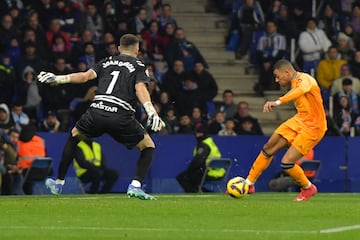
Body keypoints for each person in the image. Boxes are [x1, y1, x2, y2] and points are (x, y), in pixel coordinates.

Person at [37, 34, 165, 200]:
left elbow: (83, 77)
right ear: (137, 49)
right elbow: (140, 88)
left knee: (74, 137)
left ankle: (58, 183)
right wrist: (151, 111)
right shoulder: (140, 67)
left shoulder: (106, 61)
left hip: (97, 111)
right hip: (121, 115)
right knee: (148, 147)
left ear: (119, 48)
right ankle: (135, 185)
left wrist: (58, 78)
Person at [242, 59, 327, 202]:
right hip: (299, 120)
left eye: (277, 76)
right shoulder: (293, 82)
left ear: (287, 72)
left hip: (314, 126)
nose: (276, 80)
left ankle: (308, 188)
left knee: (287, 163)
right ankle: (249, 184)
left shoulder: (305, 79)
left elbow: (300, 90)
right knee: (269, 147)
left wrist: (277, 102)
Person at [176, 122, 223, 193]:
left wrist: (189, 170)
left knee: (183, 177)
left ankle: (196, 192)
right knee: (192, 176)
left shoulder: (204, 145)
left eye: (198, 133)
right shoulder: (210, 142)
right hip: (219, 172)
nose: (197, 135)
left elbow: (198, 162)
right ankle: (205, 192)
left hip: (209, 172)